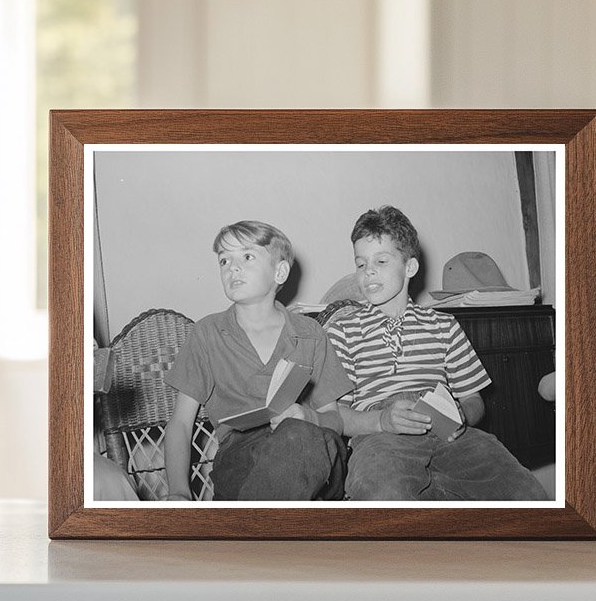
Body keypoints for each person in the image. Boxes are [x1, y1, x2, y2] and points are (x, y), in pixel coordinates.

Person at [326, 205, 549, 502]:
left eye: (381, 261)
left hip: (450, 434)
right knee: (384, 494)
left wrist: (462, 415)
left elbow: (473, 400)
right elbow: (336, 416)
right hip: (381, 438)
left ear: (410, 268)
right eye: (360, 264)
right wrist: (381, 420)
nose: (368, 272)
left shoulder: (443, 325)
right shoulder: (343, 330)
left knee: (524, 492)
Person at [163, 220, 351, 501]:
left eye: (247, 257)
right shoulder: (207, 334)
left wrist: (310, 417)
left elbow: (335, 420)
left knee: (298, 436)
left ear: (280, 272)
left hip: (314, 450)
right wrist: (179, 492)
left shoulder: (310, 333)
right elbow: (180, 423)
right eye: (224, 260)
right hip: (240, 456)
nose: (232, 268)